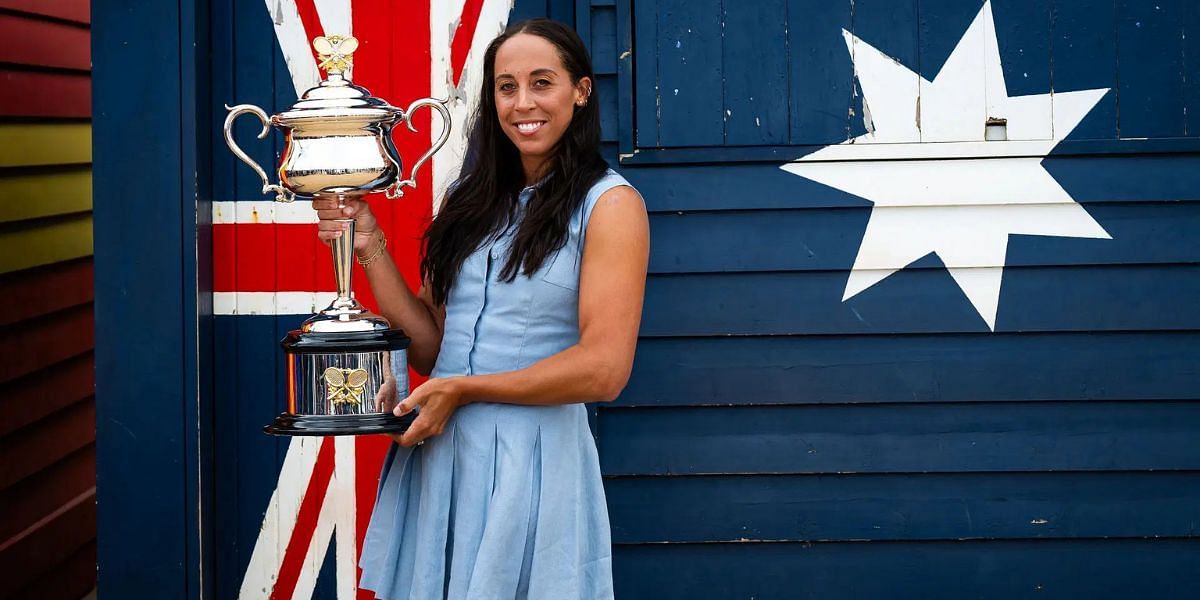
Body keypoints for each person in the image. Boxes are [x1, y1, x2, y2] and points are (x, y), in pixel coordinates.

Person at [313, 18, 648, 600]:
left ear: (582, 91)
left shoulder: (610, 205)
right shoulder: (470, 203)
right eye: (506, 86)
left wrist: (464, 389)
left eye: (542, 83)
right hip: (443, 452)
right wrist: (370, 246)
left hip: (532, 461)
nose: (523, 104)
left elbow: (605, 369)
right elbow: (430, 347)